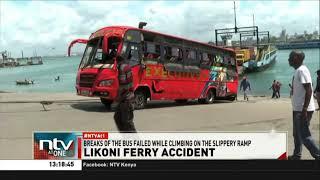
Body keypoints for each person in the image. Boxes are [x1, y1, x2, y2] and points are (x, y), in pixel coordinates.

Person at [288, 50, 319, 160]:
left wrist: (304, 109)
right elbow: (305, 88)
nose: (288, 59)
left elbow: (309, 90)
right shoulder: (298, 71)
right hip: (298, 109)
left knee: (304, 136)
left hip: (302, 110)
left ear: (296, 58)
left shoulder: (302, 70)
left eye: (290, 57)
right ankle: (297, 155)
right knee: (296, 134)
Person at [113, 55, 136, 133]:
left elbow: (123, 85)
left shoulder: (122, 68)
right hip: (127, 98)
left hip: (126, 99)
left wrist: (117, 98)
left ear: (117, 61)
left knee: (127, 122)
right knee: (119, 118)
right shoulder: (127, 66)